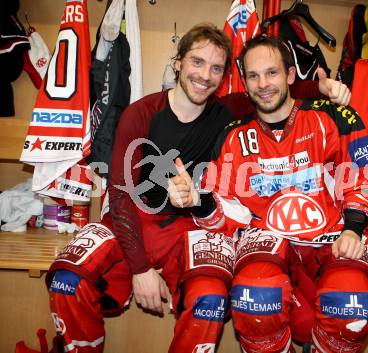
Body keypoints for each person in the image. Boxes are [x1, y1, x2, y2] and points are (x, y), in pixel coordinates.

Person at [46, 23, 352, 353]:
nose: (205, 75)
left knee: (210, 300)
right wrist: (141, 269)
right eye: (197, 62)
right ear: (177, 62)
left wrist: (321, 87)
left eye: (216, 68)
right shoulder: (141, 112)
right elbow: (119, 195)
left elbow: (272, 92)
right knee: (67, 281)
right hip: (134, 221)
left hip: (191, 228)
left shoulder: (229, 112)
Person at [169, 35, 368, 353]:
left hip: (332, 240)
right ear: (244, 81)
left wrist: (353, 227)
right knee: (256, 301)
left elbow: (365, 179)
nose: (263, 83)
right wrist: (197, 201)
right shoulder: (232, 135)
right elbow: (226, 215)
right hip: (265, 245)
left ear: (291, 76)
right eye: (253, 76)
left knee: (354, 306)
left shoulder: (335, 117)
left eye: (272, 73)